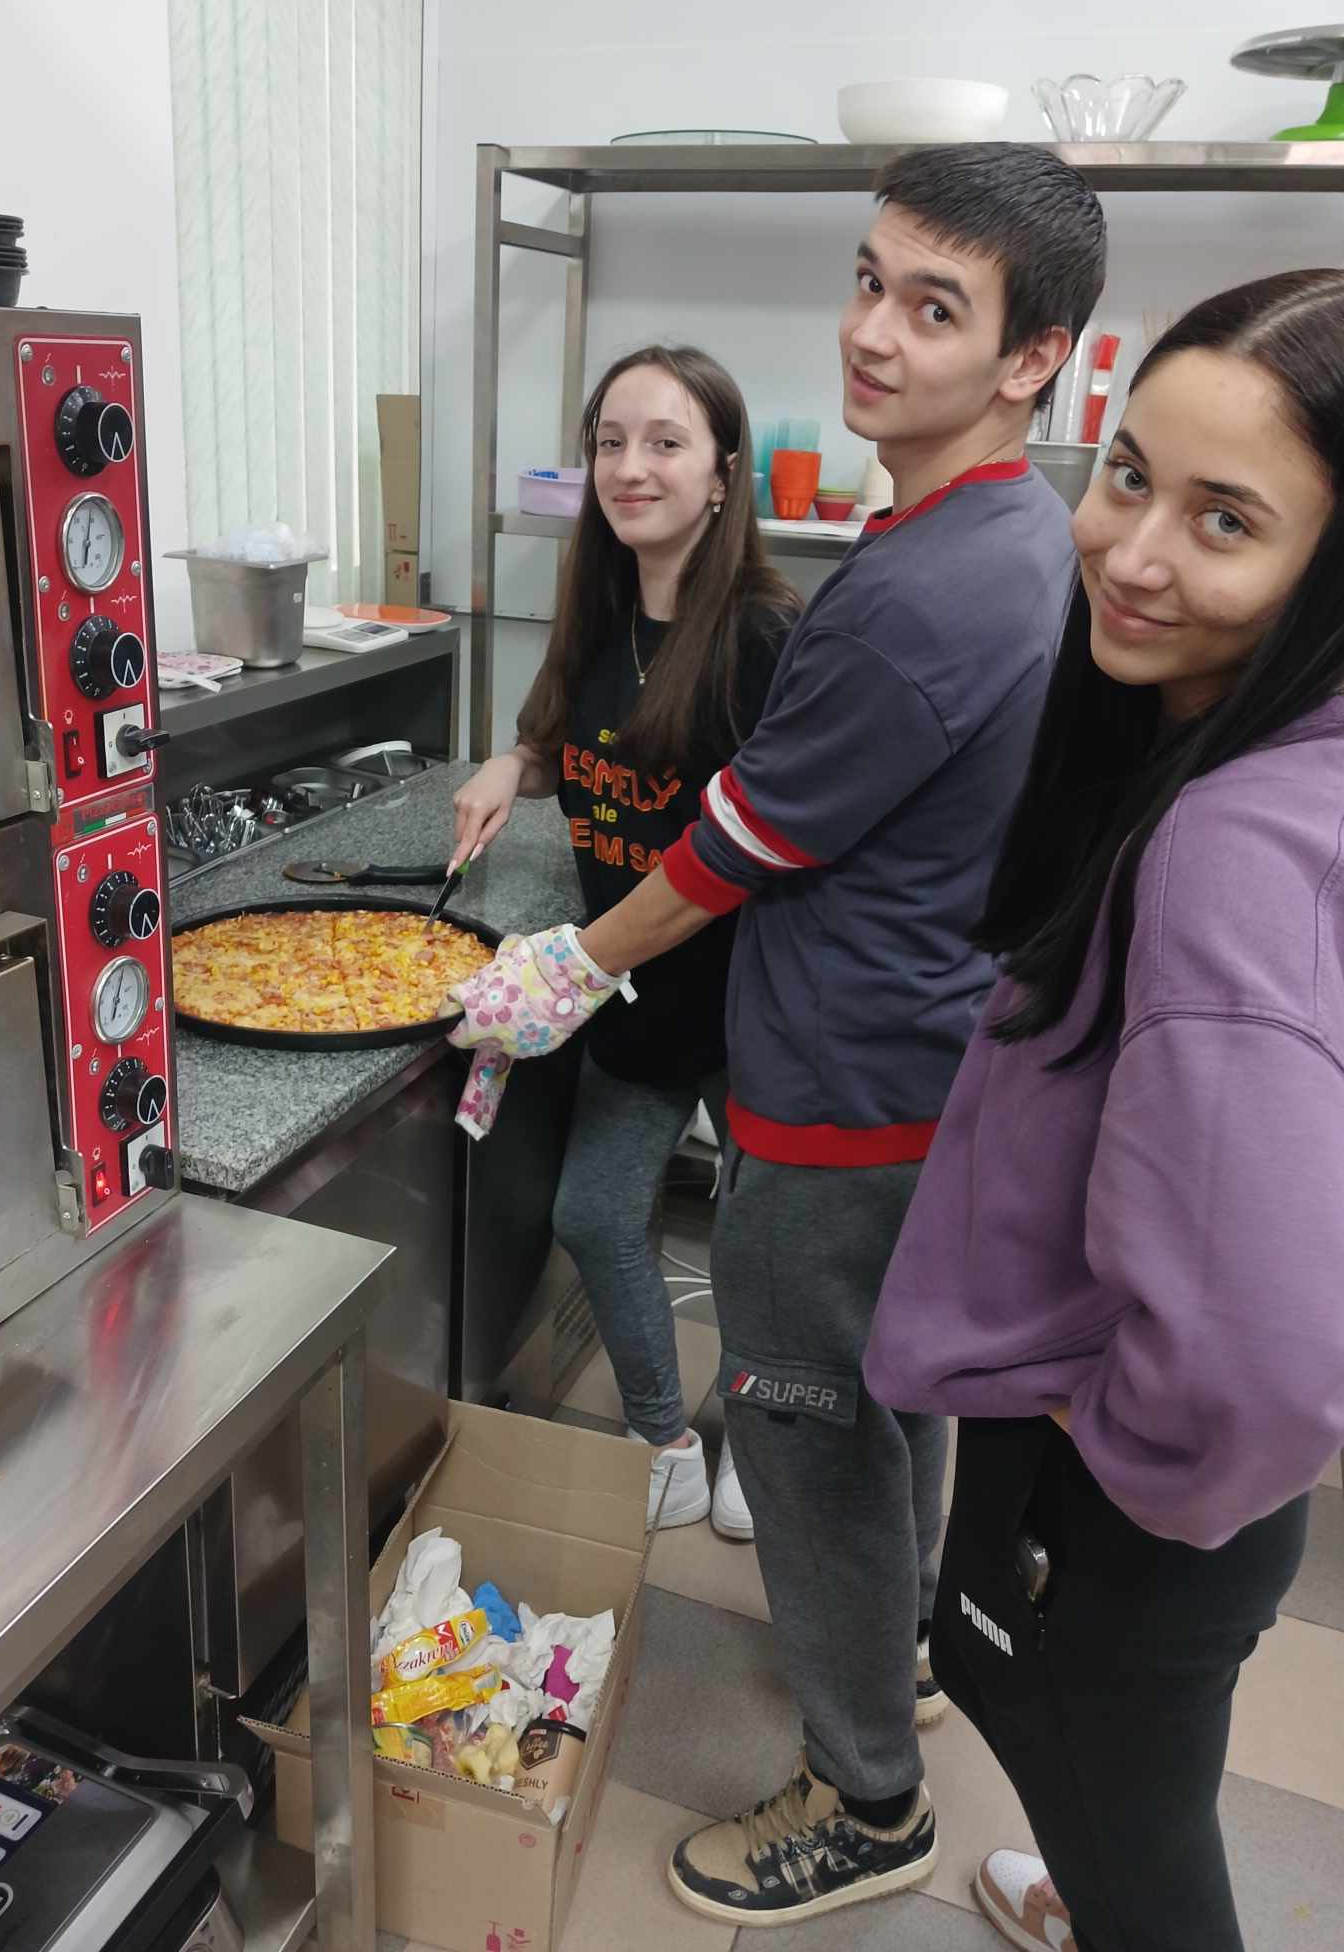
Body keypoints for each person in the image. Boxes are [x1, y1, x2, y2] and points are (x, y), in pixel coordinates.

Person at [447, 142, 1108, 1924]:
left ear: (1033, 356)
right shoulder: (985, 534)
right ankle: (901, 1656)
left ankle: (867, 1798)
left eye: (934, 307)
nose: (872, 332)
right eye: (872, 281)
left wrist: (564, 968)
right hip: (914, 1064)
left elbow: (737, 839)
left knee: (805, 1436)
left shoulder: (918, 593)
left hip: (840, 1096)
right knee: (890, 1407)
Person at [864, 269, 1344, 1952]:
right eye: (1129, 474)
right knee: (1144, 1776)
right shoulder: (1277, 759)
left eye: (1225, 520)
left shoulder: (1225, 851)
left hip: (1131, 1496)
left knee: (1126, 1823)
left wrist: (1111, 1456)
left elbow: (1265, 1353)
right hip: (1216, 1507)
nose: (1129, 553)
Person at [449, 343, 798, 1536]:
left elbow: (778, 838)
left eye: (665, 442)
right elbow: (568, 744)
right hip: (631, 991)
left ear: (722, 473)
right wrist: (511, 764)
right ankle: (662, 1439)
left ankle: (761, 1440)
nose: (630, 468)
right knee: (594, 1216)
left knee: (759, 1249)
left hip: (751, 1004)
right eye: (610, 442)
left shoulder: (767, 637)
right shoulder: (597, 614)